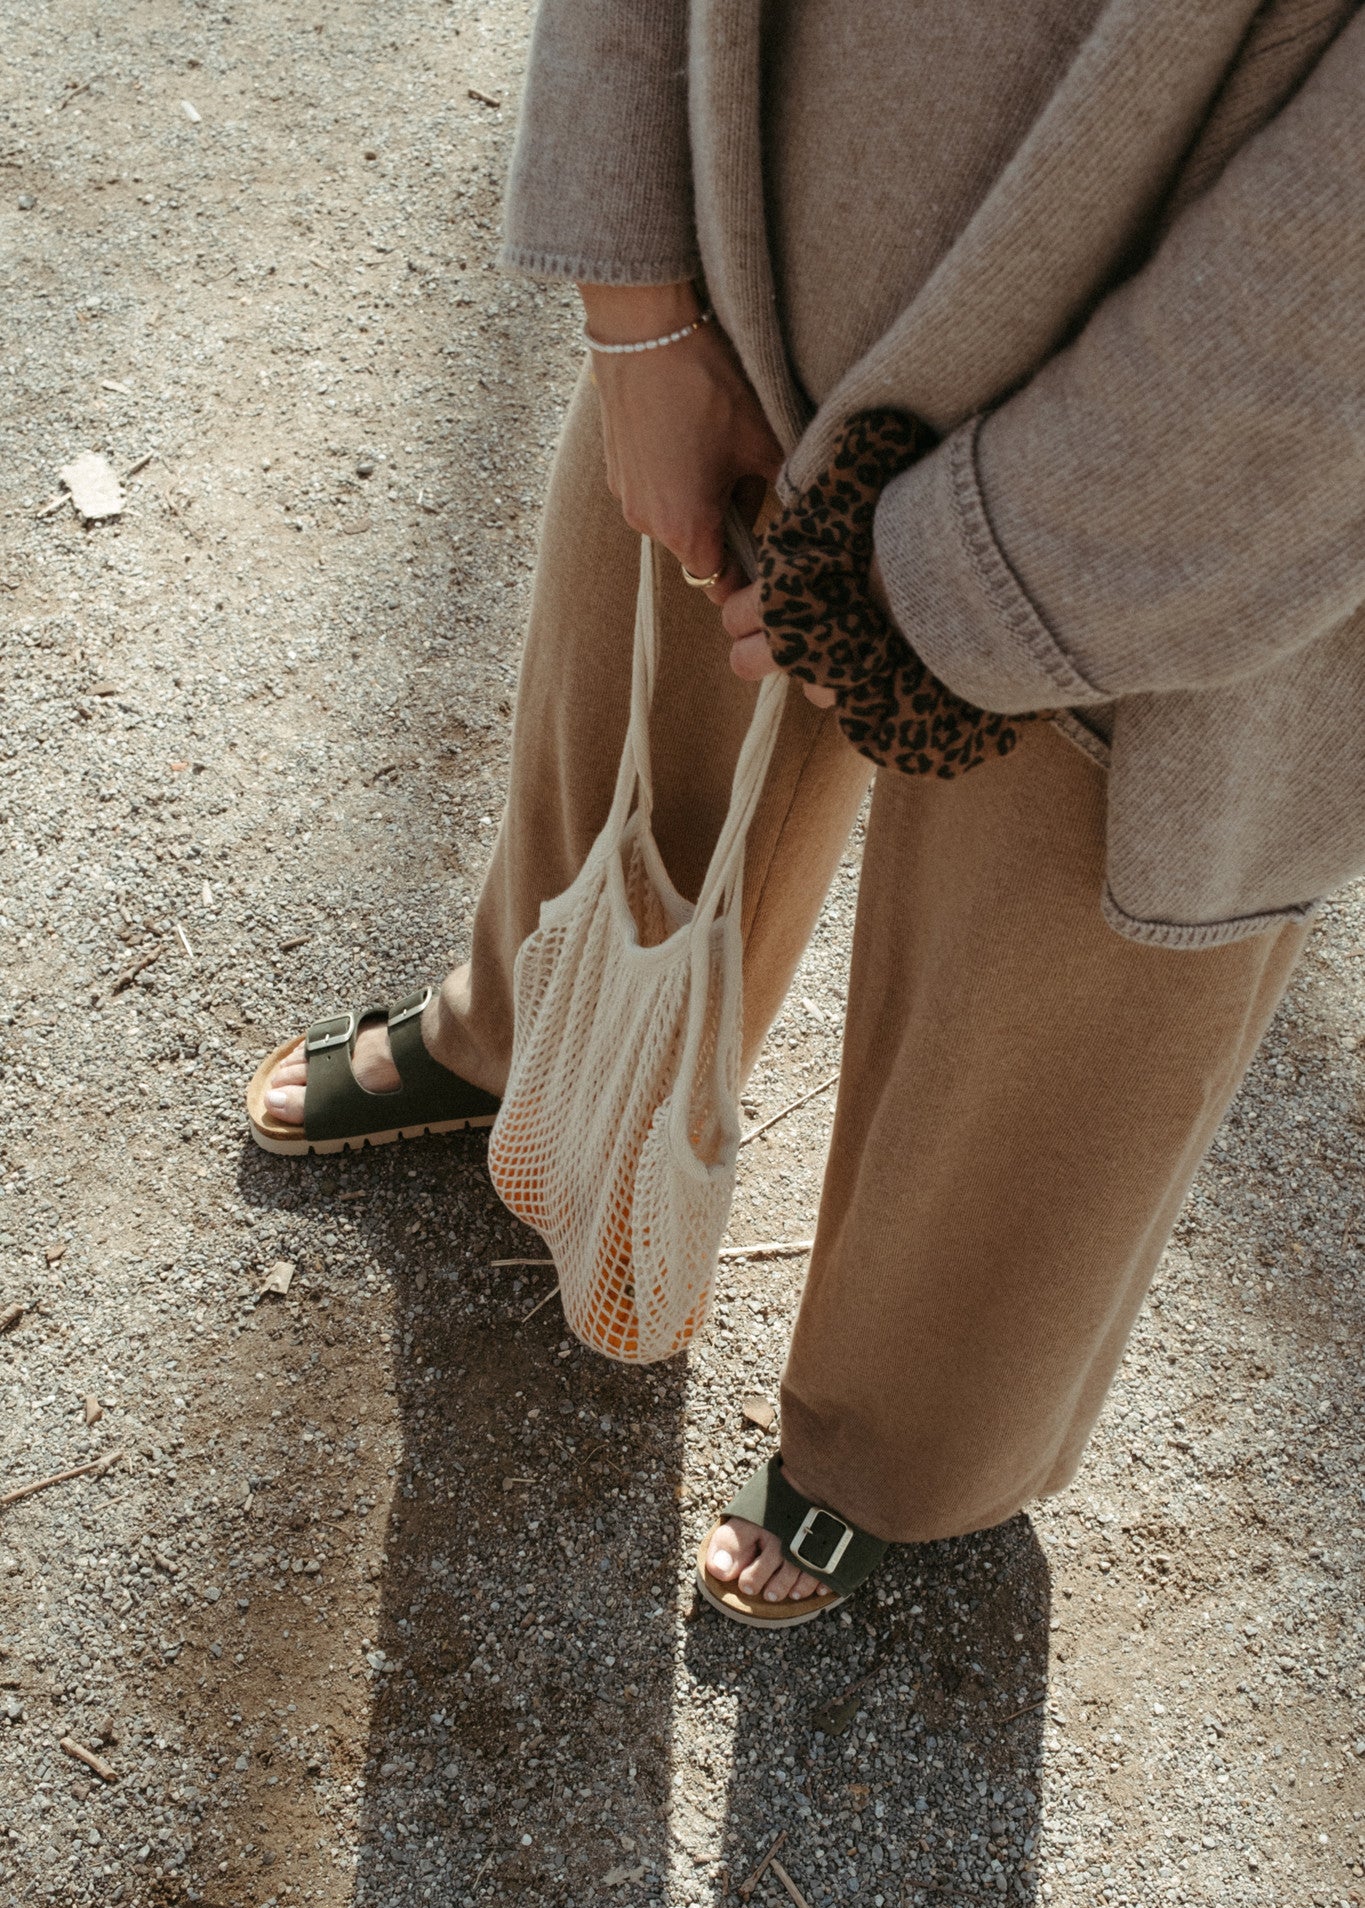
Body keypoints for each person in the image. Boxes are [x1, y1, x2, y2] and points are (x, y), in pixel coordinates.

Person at [247, 0, 1365, 1627]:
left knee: (1062, 985)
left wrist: (1002, 568)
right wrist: (632, 308)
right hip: (758, 254)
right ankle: (519, 1039)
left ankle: (907, 1446)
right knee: (638, 702)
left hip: (1216, 449)